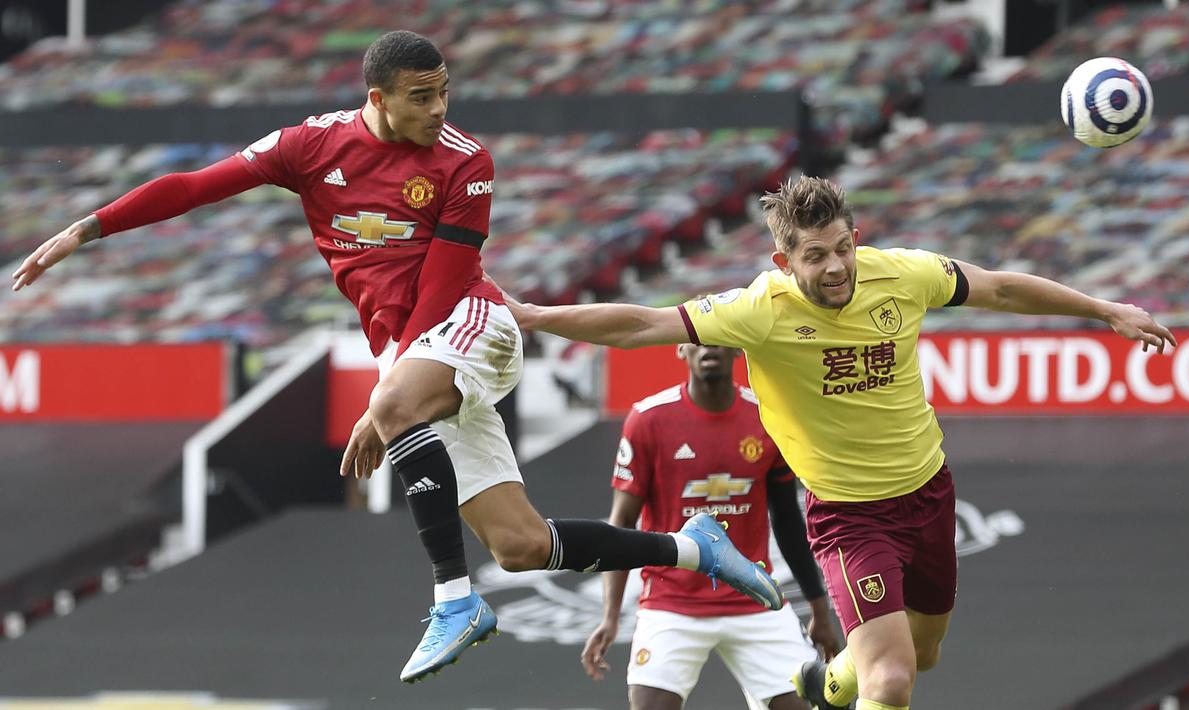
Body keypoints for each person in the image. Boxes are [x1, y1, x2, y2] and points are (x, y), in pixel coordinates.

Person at [9, 31, 784, 685]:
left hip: (472, 322)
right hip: (415, 355)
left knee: (399, 405)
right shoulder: (310, 147)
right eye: (420, 96)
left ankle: (453, 600)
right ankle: (692, 545)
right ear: (376, 97)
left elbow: (447, 281)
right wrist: (88, 229)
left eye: (443, 90)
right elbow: (193, 185)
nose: (438, 108)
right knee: (519, 546)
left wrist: (388, 404)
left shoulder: (464, 161)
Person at [497, 176, 1176, 710]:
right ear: (782, 260)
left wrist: (1104, 308)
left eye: (842, 248)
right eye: (814, 256)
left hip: (928, 491)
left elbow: (997, 288)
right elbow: (639, 324)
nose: (834, 267)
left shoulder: (901, 274)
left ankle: (827, 682)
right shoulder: (758, 310)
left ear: (857, 238)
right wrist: (531, 316)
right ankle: (853, 677)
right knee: (892, 680)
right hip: (848, 517)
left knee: (922, 653)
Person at [582, 342, 841, 710]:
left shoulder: (769, 416)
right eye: (698, 340)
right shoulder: (648, 419)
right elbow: (622, 523)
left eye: (718, 338)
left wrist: (819, 609)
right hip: (672, 603)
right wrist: (609, 617)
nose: (708, 348)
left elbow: (787, 520)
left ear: (738, 350)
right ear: (681, 351)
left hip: (756, 599)